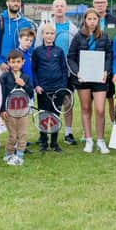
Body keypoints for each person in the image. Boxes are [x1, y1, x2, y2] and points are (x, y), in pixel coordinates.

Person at [68, 8, 113, 154]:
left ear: (98, 20)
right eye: (89, 19)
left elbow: (109, 56)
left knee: (100, 110)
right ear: (85, 20)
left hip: (100, 78)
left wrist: (106, 70)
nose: (92, 22)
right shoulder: (78, 36)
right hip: (83, 78)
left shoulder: (104, 37)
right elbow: (71, 57)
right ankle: (88, 139)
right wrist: (77, 72)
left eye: (95, 19)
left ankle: (100, 140)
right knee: (86, 108)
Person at [35, 0, 79, 146]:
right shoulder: (45, 26)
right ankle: (43, 135)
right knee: (45, 105)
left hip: (66, 71)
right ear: (53, 9)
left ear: (65, 9)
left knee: (66, 102)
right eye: (57, 6)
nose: (59, 8)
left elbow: (75, 50)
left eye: (62, 6)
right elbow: (37, 49)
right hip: (47, 74)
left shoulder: (72, 28)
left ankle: (67, 132)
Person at [32, 23, 68, 153]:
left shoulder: (59, 51)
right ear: (42, 35)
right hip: (43, 89)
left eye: (52, 33)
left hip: (57, 89)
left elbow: (64, 70)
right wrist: (37, 85)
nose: (49, 36)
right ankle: (43, 141)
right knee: (43, 116)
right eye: (47, 33)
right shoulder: (37, 51)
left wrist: (63, 87)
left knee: (55, 116)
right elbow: (34, 70)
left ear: (55, 35)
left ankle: (54, 143)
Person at [92, 0, 116, 126]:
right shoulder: (89, 20)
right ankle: (87, 132)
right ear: (93, 4)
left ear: (107, 4)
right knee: (91, 99)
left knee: (111, 98)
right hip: (93, 64)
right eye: (97, 3)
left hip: (110, 63)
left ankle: (114, 126)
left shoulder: (115, 21)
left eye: (102, 2)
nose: (100, 5)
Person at [0, 49, 34, 166]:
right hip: (10, 111)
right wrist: (2, 110)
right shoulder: (4, 77)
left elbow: (31, 93)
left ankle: (19, 155)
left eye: (18, 62)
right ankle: (8, 154)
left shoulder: (26, 77)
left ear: (23, 62)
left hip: (23, 111)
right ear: (8, 63)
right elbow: (1, 94)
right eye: (13, 62)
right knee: (13, 135)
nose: (15, 64)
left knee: (22, 134)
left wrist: (23, 85)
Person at [0, 0, 34, 73]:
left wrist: (25, 59)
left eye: (18, 1)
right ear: (7, 3)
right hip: (2, 67)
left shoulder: (25, 23)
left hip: (20, 66)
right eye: (13, 1)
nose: (16, 3)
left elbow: (31, 44)